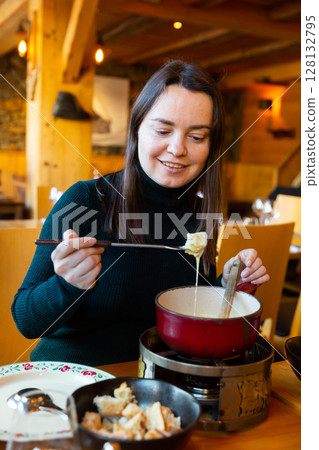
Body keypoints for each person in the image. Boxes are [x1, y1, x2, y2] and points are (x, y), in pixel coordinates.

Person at [12, 60, 269, 366]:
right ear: (137, 130)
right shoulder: (85, 200)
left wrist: (229, 287)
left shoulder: (200, 212)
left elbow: (190, 305)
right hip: (75, 374)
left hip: (161, 379)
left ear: (212, 147)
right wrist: (66, 285)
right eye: (163, 130)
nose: (177, 148)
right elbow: (26, 321)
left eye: (196, 137)